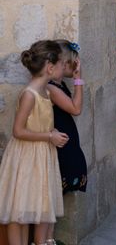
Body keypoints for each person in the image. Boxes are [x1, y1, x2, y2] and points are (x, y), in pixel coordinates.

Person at [0, 40, 69, 245]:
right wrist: (49, 136)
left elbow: (39, 123)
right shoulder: (29, 95)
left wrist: (51, 131)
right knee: (18, 208)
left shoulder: (46, 92)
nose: (63, 68)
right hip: (26, 156)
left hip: (41, 154)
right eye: (61, 64)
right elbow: (18, 130)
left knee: (39, 203)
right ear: (50, 67)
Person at [44, 40, 88, 244]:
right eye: (71, 62)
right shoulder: (52, 88)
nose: (74, 65)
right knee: (51, 198)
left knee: (56, 198)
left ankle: (49, 239)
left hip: (65, 139)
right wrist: (79, 80)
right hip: (57, 144)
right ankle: (45, 239)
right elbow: (75, 109)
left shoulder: (59, 84)